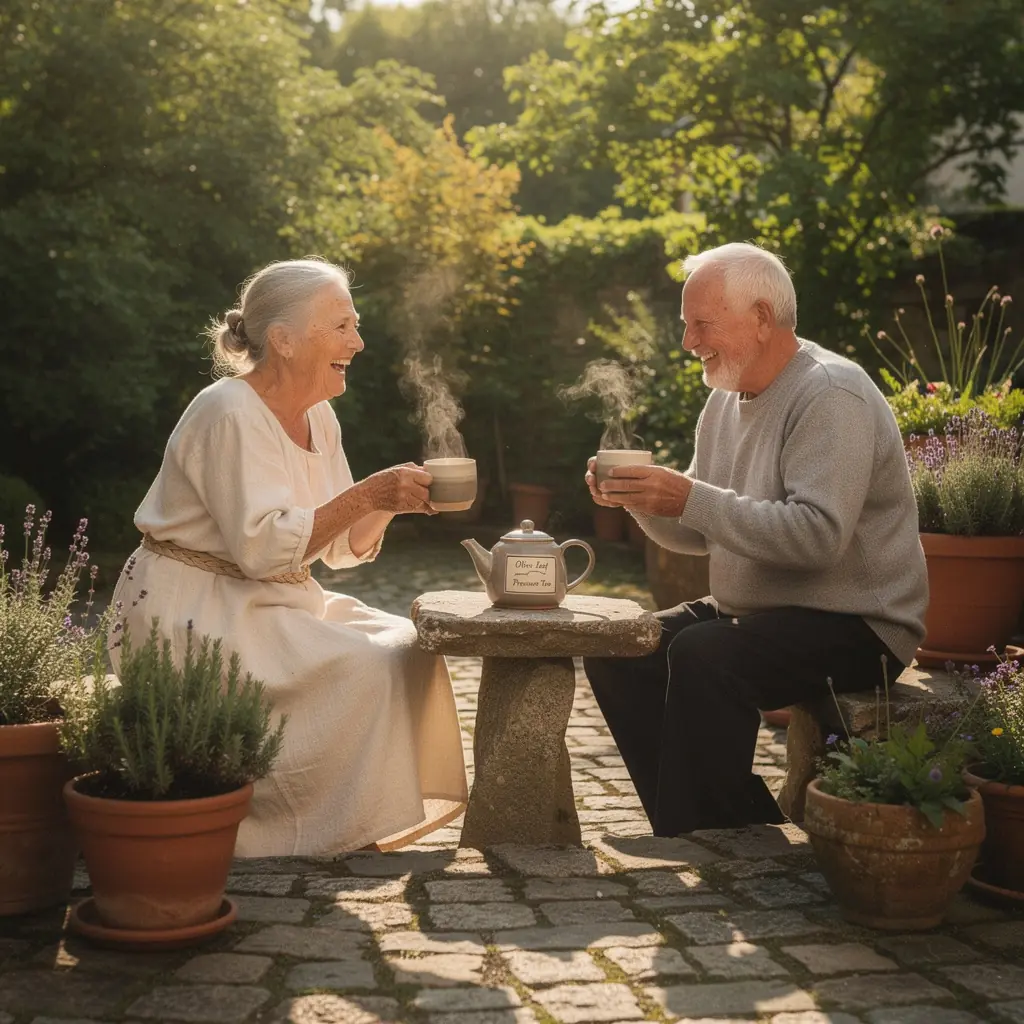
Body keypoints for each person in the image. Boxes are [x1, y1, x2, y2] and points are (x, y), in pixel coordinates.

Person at [109, 257, 468, 856]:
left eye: (355, 325)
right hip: (198, 610)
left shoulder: (319, 416)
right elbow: (262, 548)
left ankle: (355, 816)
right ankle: (288, 825)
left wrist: (390, 503)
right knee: (365, 664)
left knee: (408, 641)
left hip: (274, 598)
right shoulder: (227, 409)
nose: (358, 341)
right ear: (283, 340)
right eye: (342, 327)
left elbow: (335, 545)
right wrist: (369, 492)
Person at [583, 242, 928, 836]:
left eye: (701, 324)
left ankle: (711, 836)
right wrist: (639, 500)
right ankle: (717, 821)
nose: (689, 341)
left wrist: (688, 495)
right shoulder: (724, 399)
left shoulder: (830, 394)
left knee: (704, 654)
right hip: (761, 613)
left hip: (858, 623)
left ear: (763, 318)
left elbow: (818, 537)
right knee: (619, 646)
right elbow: (706, 531)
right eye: (685, 325)